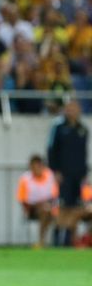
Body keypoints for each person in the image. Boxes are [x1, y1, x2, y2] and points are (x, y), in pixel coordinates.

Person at [47, 99, 89, 246]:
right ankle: (58, 237)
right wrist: (55, 170)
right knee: (63, 207)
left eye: (75, 108)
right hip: (63, 174)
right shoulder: (58, 127)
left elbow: (84, 153)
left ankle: (70, 239)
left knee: (76, 207)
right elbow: (51, 149)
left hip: (78, 174)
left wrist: (84, 172)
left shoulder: (83, 129)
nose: (72, 111)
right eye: (70, 108)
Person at [16, 154, 58, 248]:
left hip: (49, 205)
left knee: (65, 212)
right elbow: (22, 199)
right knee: (44, 210)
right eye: (35, 166)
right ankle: (41, 241)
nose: (38, 168)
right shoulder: (25, 179)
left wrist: (49, 204)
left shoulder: (49, 175)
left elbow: (54, 195)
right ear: (30, 166)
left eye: (39, 165)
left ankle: (72, 242)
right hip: (32, 208)